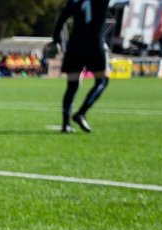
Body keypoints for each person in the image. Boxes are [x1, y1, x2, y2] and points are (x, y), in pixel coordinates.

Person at [51, 0, 111, 132]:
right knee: (102, 81)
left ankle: (66, 124)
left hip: (75, 45)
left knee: (72, 85)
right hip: (94, 44)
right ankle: (81, 113)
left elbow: (61, 19)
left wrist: (56, 39)